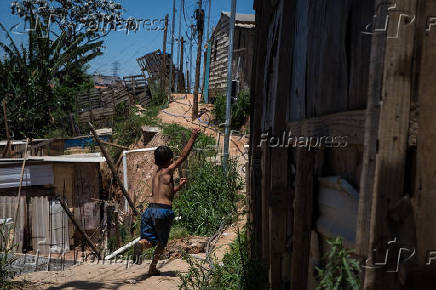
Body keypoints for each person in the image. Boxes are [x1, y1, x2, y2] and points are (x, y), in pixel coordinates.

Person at [134, 128, 200, 275]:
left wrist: (178, 187)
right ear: (170, 159)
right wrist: (193, 137)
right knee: (162, 242)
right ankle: (152, 267)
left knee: (149, 239)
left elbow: (165, 195)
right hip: (163, 212)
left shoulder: (155, 175)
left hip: (150, 210)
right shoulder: (168, 170)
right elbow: (183, 156)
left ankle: (140, 245)